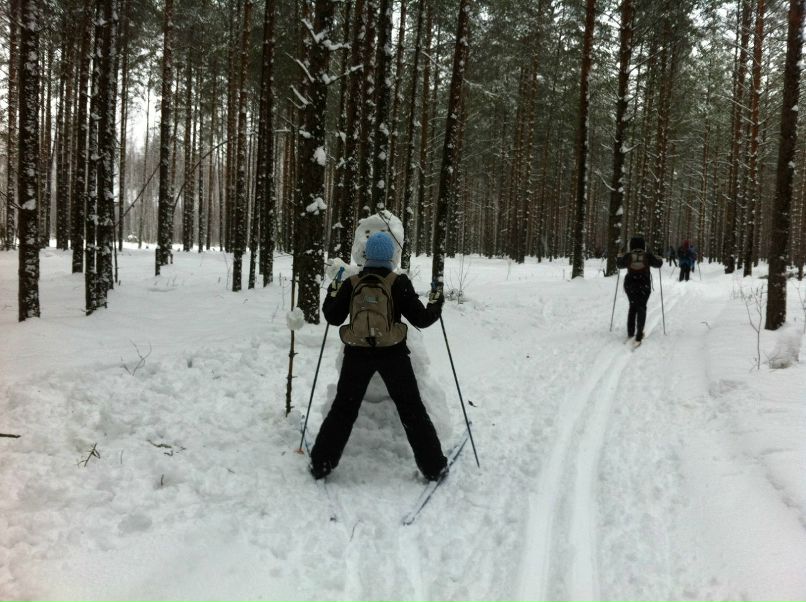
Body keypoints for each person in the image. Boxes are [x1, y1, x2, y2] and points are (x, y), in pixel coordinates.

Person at [310, 231, 448, 481]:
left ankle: (321, 463)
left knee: (343, 409)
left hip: (356, 355)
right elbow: (422, 319)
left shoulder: (353, 282)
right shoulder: (399, 282)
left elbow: (333, 317)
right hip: (392, 354)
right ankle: (434, 467)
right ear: (391, 257)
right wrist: (436, 302)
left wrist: (333, 290)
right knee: (412, 410)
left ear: (367, 255)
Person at [616, 236, 663, 342]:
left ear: (631, 245)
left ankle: (630, 332)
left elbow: (619, 265)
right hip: (644, 284)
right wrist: (659, 256)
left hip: (630, 285)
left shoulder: (628, 256)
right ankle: (639, 332)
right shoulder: (647, 255)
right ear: (643, 245)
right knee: (642, 306)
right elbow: (658, 264)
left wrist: (619, 255)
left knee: (632, 306)